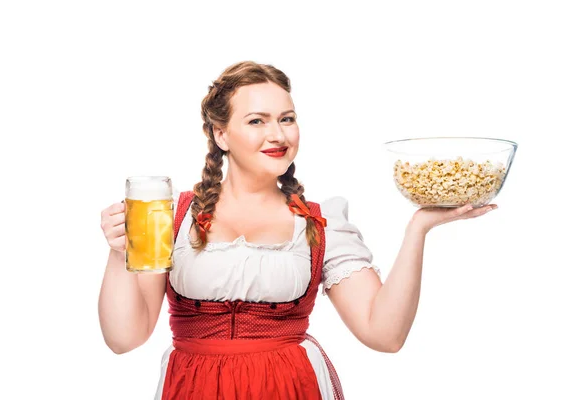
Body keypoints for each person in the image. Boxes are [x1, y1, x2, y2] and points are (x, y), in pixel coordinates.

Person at [98, 61, 498, 399]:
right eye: (257, 121)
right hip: (194, 388)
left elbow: (385, 335)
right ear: (221, 135)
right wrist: (119, 251)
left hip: (291, 387)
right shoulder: (172, 216)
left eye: (286, 119)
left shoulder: (320, 225)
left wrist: (418, 228)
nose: (278, 135)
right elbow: (124, 338)